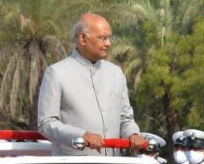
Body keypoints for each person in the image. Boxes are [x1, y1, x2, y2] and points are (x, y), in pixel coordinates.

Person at [36, 13, 141, 155]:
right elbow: (46, 124)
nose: (108, 43)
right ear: (83, 38)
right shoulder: (56, 73)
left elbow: (125, 118)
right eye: (103, 38)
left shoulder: (116, 73)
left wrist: (133, 134)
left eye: (109, 38)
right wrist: (81, 135)